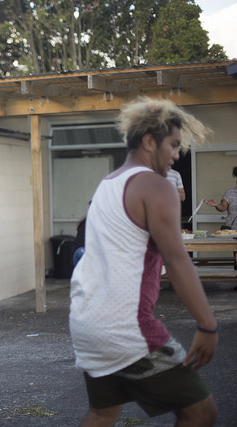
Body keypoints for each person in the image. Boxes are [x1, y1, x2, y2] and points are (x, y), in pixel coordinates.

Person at [69, 97, 218, 426]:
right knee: (201, 412)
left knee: (103, 413)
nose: (177, 154)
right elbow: (177, 260)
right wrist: (208, 325)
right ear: (150, 141)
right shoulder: (156, 186)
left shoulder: (108, 184)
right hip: (126, 328)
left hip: (86, 322)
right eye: (173, 145)